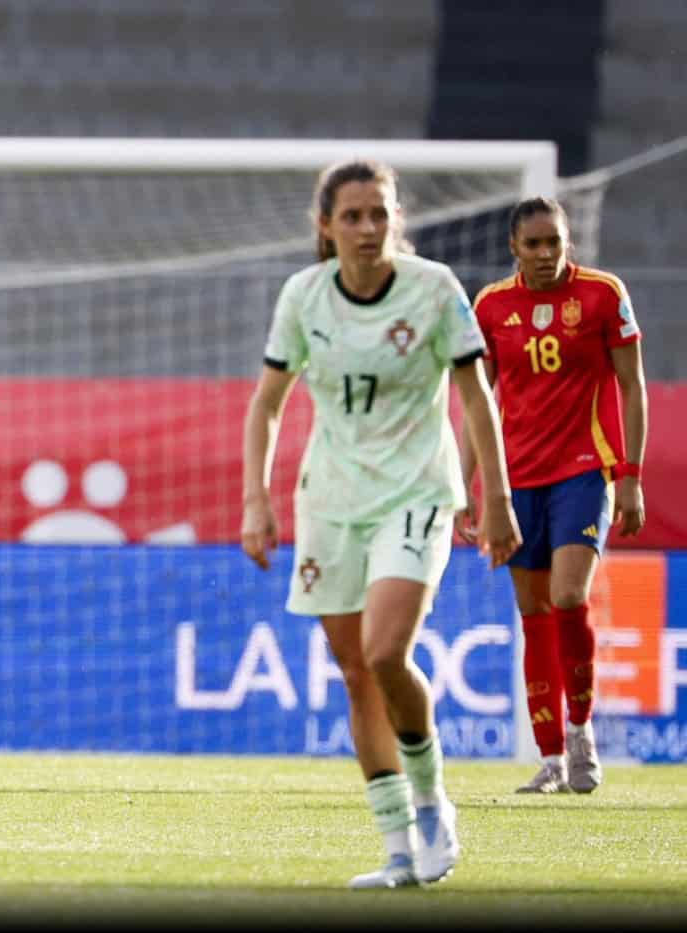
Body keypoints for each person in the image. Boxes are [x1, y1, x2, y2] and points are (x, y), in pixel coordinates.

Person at [240, 160, 521, 890]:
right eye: (353, 216)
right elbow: (267, 404)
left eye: (379, 213)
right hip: (329, 499)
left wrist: (496, 497)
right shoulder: (303, 296)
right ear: (325, 227)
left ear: (397, 218)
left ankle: (433, 805)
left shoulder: (434, 289)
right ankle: (398, 845)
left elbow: (476, 396)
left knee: (386, 649)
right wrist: (255, 498)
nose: (368, 228)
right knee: (356, 672)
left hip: (417, 492)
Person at [459, 197, 646, 795]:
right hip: (515, 479)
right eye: (533, 244)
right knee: (533, 615)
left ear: (568, 242)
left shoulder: (601, 294)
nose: (545, 255)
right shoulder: (490, 306)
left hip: (584, 469)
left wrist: (630, 474)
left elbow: (631, 385)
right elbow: (476, 403)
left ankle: (581, 729)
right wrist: (467, 486)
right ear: (514, 247)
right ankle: (550, 761)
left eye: (554, 243)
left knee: (568, 597)